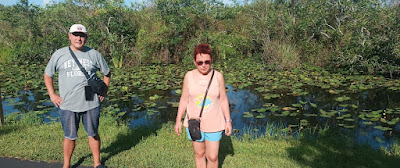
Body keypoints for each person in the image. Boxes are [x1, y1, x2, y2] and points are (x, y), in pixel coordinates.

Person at [44, 24, 111, 168]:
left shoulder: (94, 54)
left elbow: (107, 73)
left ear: (86, 37)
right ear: (69, 36)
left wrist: (104, 91)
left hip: (90, 100)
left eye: (81, 35)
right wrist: (52, 94)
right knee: (69, 136)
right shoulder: (59, 54)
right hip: (68, 103)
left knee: (93, 133)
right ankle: (66, 165)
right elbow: (47, 74)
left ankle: (97, 163)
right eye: (75, 35)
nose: (78, 38)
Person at [175, 43, 232, 168]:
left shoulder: (218, 76)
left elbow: (223, 99)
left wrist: (228, 120)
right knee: (199, 153)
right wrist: (178, 120)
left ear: (211, 60)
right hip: (194, 122)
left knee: (212, 157)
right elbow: (184, 99)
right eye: (200, 62)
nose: (204, 65)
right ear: (195, 62)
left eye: (207, 61)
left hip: (214, 122)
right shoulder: (189, 76)